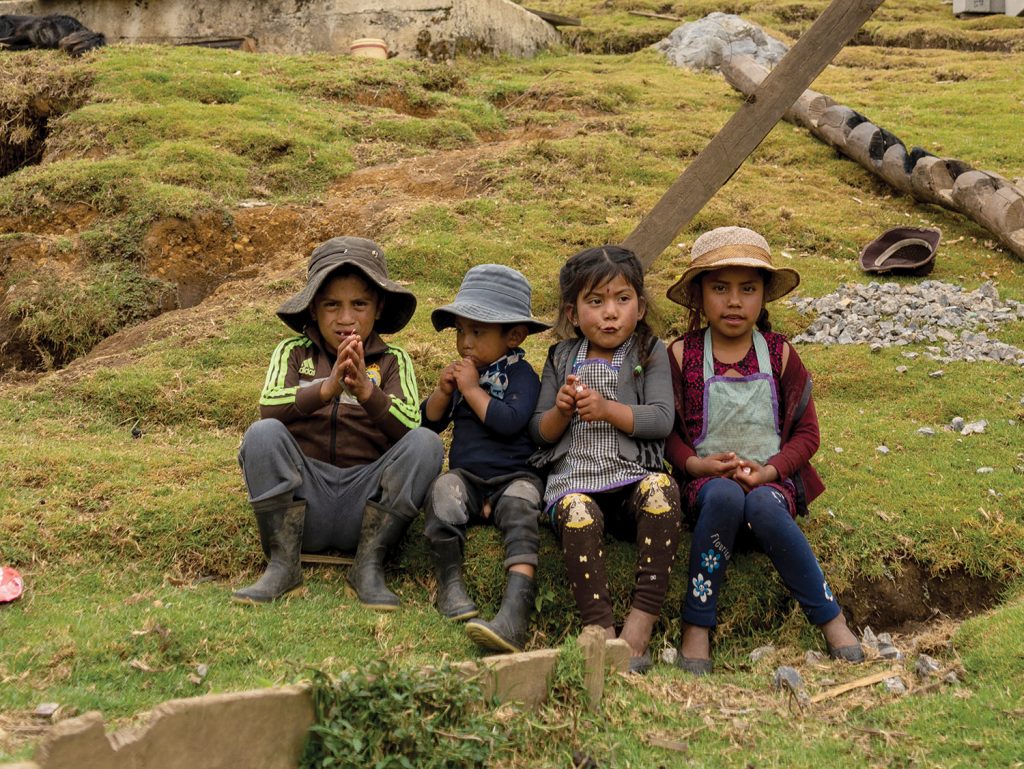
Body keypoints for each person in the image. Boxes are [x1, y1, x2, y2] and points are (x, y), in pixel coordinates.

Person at [664, 226, 863, 675]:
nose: (734, 301)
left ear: (763, 297)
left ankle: (830, 617)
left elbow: (807, 436)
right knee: (725, 494)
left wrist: (772, 472)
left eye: (747, 289)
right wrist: (696, 464)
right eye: (720, 288)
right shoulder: (679, 356)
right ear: (698, 295)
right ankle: (698, 624)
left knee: (762, 503)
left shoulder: (780, 355)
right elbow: (666, 434)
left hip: (771, 488)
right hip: (705, 491)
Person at [233, 236, 443, 610]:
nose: (346, 319)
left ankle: (369, 565)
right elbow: (269, 406)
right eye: (332, 305)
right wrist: (327, 389)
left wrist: (366, 391)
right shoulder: (293, 353)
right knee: (262, 434)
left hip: (365, 506)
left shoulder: (394, 361)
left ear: (378, 308)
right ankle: (282, 565)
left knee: (427, 443)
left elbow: (411, 422)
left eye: (359, 304)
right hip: (303, 499)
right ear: (313, 309)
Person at [530, 245, 682, 674]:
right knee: (575, 512)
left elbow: (661, 419)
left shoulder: (650, 351)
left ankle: (641, 621)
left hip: (633, 476)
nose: (610, 313)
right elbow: (537, 431)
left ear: (640, 304)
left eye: (622, 299)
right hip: (575, 480)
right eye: (595, 302)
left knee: (663, 491)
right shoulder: (560, 358)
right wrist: (560, 412)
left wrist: (608, 409)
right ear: (573, 314)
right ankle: (599, 630)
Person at [421, 264, 550, 653]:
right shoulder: (465, 375)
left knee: (523, 506)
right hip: (469, 478)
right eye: (461, 331)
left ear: (514, 335)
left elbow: (510, 423)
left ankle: (515, 607)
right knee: (443, 491)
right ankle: (451, 585)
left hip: (515, 476)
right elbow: (429, 425)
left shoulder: (523, 375)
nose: (465, 343)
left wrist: (472, 389)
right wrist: (445, 392)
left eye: (478, 332)